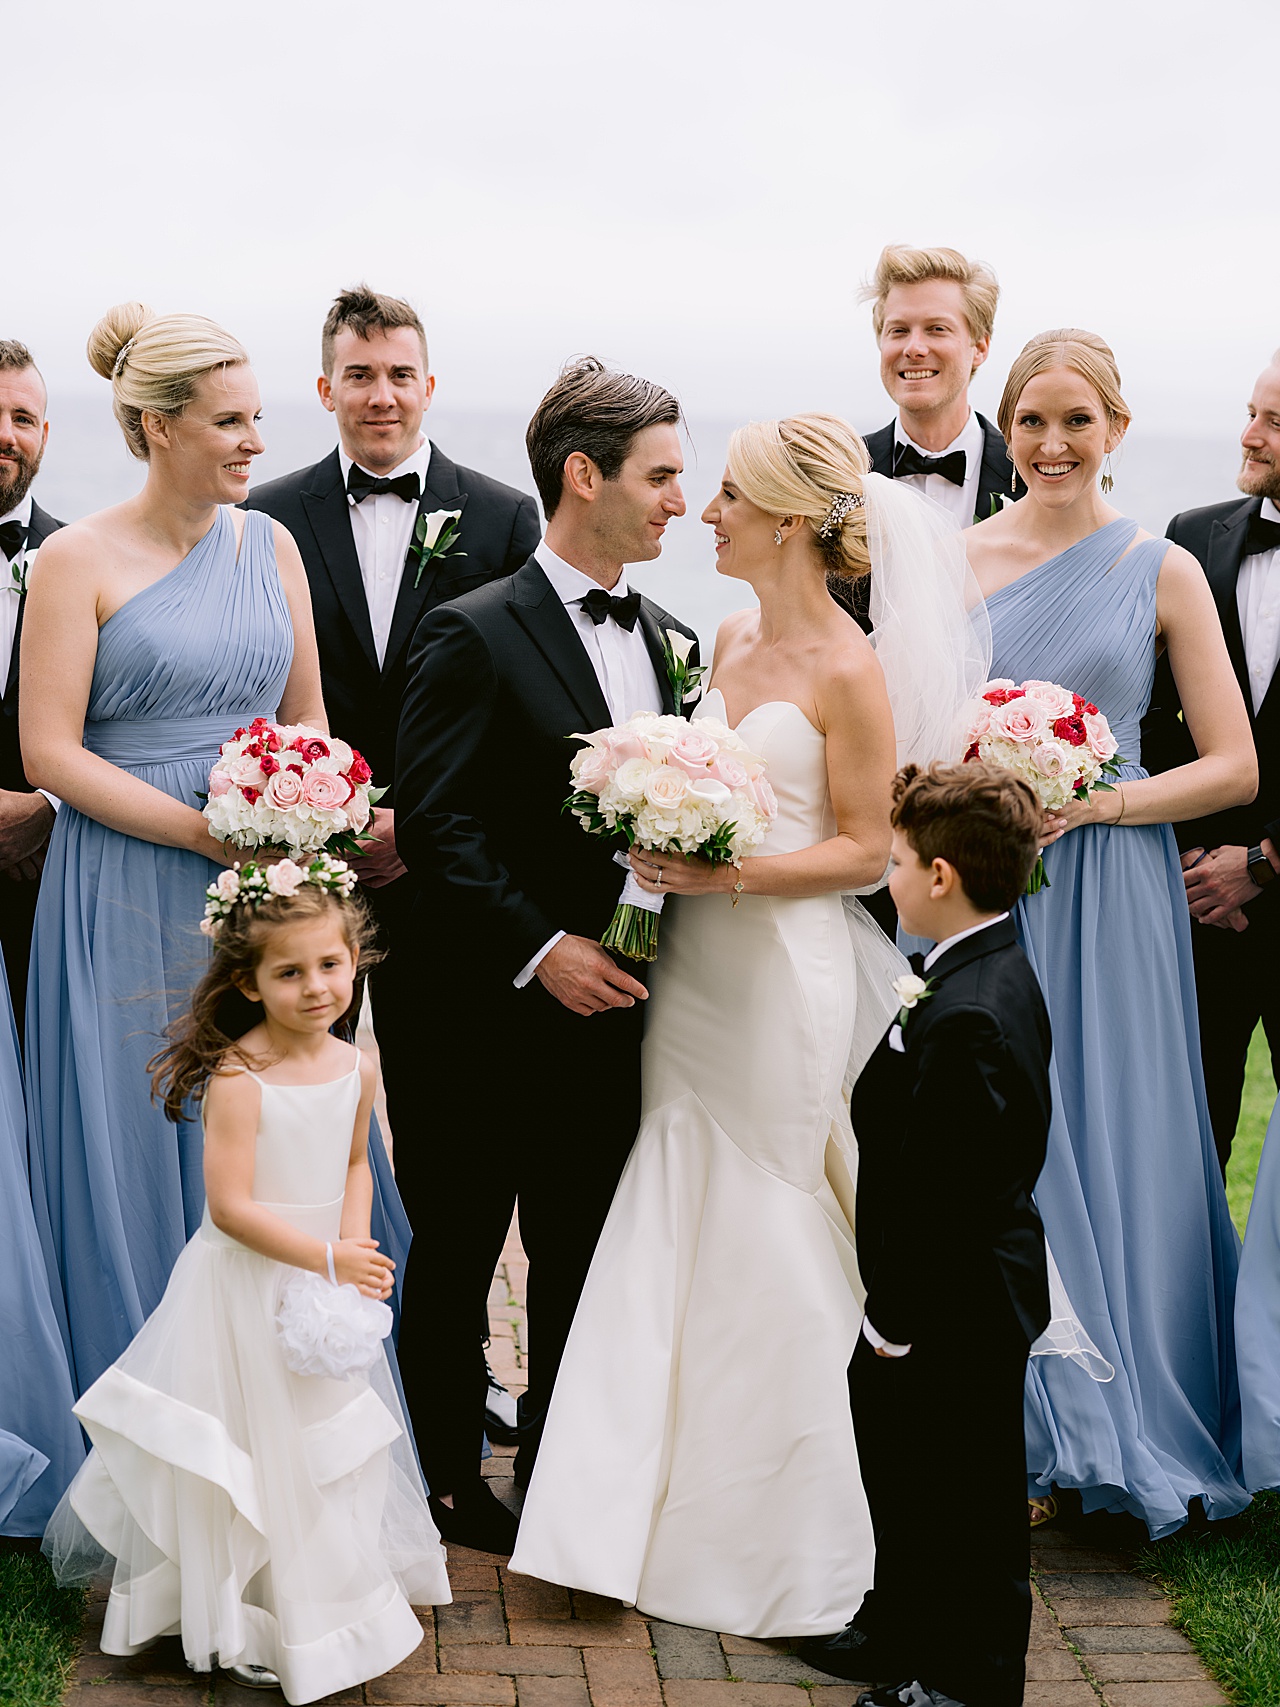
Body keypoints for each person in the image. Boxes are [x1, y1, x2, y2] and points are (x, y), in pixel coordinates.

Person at [511, 416, 990, 1636]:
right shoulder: (722, 636)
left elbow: (864, 849)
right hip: (693, 977)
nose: (702, 514)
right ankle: (612, 1515)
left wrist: (724, 875)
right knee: (672, 1188)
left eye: (725, 497)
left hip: (780, 969)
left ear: (786, 520)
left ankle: (773, 1533)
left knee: (769, 1201)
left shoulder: (849, 668)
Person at [394, 357, 695, 1554]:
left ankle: (562, 1477)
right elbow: (434, 822)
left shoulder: (672, 642)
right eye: (661, 475)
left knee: (581, 1246)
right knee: (459, 1247)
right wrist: (539, 949)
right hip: (474, 1005)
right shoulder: (469, 629)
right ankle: (444, 1483)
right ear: (585, 475)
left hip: (614, 1012)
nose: (679, 498)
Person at [959, 329, 1256, 1538]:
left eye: (1075, 420)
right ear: (1006, 430)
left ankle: (1130, 1410)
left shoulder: (1162, 566)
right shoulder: (958, 560)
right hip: (989, 882)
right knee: (1007, 1138)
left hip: (1116, 885)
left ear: (1116, 430)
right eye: (1029, 421)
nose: (1050, 444)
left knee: (1117, 1131)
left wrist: (1097, 801)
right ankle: (1027, 1426)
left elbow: (1232, 766)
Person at [43, 860, 450, 1704]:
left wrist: (349, 1240)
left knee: (322, 1446)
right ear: (249, 980)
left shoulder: (353, 1064)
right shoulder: (241, 1075)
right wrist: (324, 1258)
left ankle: (311, 1602)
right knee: (248, 1448)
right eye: (290, 972)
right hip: (245, 1289)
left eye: (330, 966)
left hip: (320, 1282)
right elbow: (228, 1209)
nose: (315, 987)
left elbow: (352, 1163)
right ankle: (236, 1612)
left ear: (355, 961)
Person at [20, 302, 326, 1399]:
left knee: (261, 1121)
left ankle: (269, 1401)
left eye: (256, 419)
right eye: (229, 421)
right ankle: (146, 1406)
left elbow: (309, 726)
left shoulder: (272, 544)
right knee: (138, 1130)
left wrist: (297, 829)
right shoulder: (74, 558)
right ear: (154, 426)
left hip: (258, 898)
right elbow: (50, 750)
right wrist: (208, 830)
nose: (254, 443)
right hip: (123, 885)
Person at [245, 285, 541, 1156]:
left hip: (439, 866)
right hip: (305, 858)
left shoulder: (503, 516)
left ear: (430, 385)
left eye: (400, 375)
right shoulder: (262, 514)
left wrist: (417, 820)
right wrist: (318, 819)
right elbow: (252, 683)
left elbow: (519, 700)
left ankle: (428, 1289)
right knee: (295, 1100)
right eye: (360, 374)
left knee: (442, 1116)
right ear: (326, 389)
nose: (382, 395)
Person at [801, 762, 1052, 1707]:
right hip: (943, 1287)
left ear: (941, 876)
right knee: (908, 1467)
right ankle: (901, 1622)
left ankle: (968, 1679)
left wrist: (895, 1319)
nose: (888, 875)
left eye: (898, 861)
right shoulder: (966, 968)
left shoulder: (972, 1016)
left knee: (969, 1497)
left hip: (955, 1300)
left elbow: (947, 1192)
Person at [1143, 351, 1280, 1173]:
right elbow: (1157, 715)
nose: (1249, 435)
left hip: (1261, 876)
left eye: (1276, 423)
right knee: (1189, 1152)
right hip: (1201, 918)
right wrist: (1196, 860)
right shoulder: (1193, 538)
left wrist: (1262, 862)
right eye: (1252, 411)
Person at [848, 245, 1016, 635]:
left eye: (937, 329)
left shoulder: (1028, 478)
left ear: (980, 348)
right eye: (899, 331)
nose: (914, 348)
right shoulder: (839, 474)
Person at [0, 340, 64, 1024]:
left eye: (22, 417)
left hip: (40, 888)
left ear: (44, 435)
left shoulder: (83, 562)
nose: (6, 434)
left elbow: (110, 725)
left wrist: (46, 807)